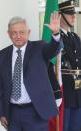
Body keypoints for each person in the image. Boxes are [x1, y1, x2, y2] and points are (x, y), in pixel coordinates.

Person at [0, 12, 61, 131]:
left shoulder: (39, 48)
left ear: (28, 32)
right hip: (13, 114)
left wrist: (55, 34)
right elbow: (0, 86)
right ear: (9, 34)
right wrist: (1, 113)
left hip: (36, 112)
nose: (18, 36)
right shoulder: (2, 54)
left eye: (22, 32)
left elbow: (53, 50)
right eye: (14, 33)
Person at [58, 0, 81, 131]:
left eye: (74, 14)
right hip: (64, 91)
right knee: (64, 126)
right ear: (60, 16)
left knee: (76, 126)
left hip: (77, 92)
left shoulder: (75, 37)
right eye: (69, 14)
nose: (73, 16)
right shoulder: (55, 38)